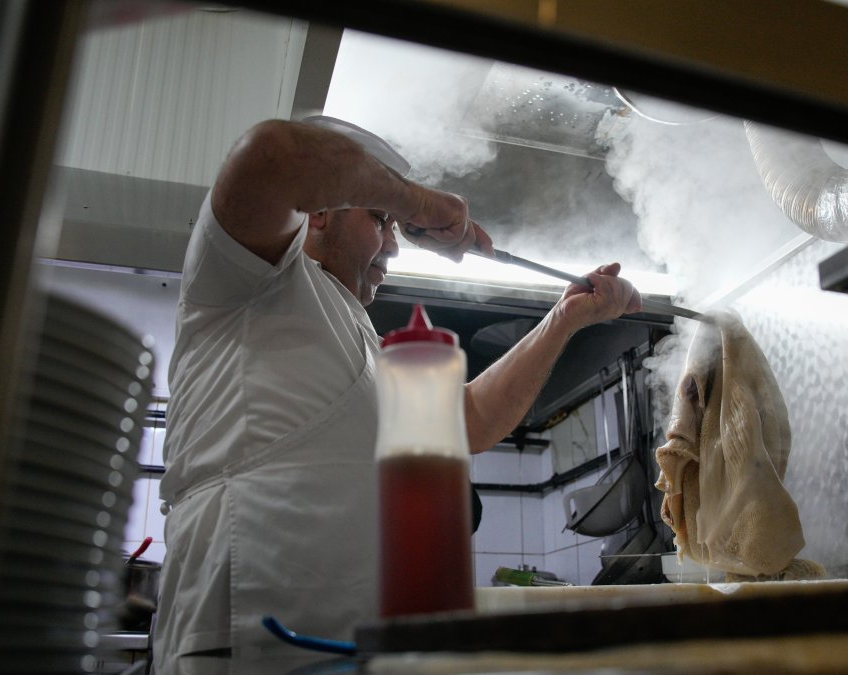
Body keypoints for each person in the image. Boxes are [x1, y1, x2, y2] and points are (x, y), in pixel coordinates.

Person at [153, 116, 642, 673]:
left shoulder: (359, 336)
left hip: (349, 636)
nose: (394, 245)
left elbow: (468, 420)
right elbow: (276, 155)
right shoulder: (251, 280)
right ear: (318, 214)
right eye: (380, 221)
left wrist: (564, 319)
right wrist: (421, 206)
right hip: (252, 630)